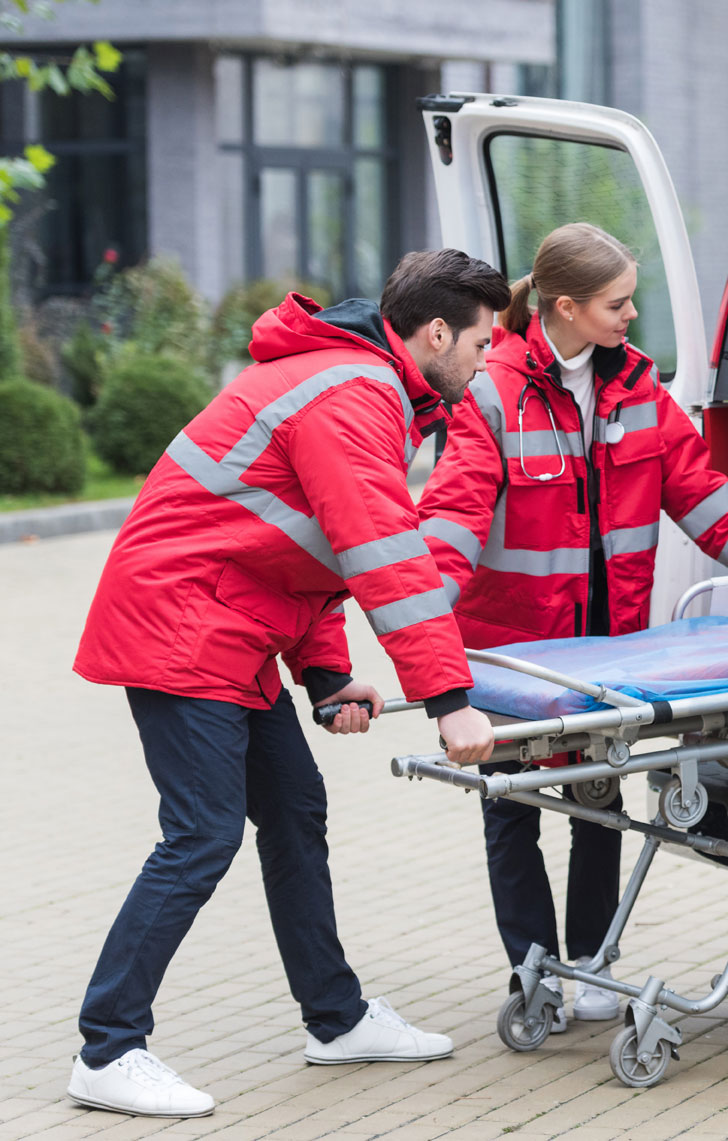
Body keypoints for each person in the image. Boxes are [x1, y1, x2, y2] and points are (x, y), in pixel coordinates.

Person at [67, 249, 508, 1118]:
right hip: (183, 622)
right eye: (483, 342)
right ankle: (108, 1047)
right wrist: (451, 700)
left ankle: (336, 1020)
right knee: (201, 835)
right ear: (436, 331)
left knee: (296, 809)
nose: (487, 360)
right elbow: (382, 551)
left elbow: (309, 548)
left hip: (231, 625)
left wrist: (329, 675)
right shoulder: (354, 393)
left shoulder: (366, 384)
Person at [417, 222, 728, 1026]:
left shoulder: (636, 390)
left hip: (605, 657)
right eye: (618, 302)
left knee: (600, 811)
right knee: (512, 816)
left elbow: (700, 493)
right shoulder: (491, 392)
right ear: (566, 307)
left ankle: (594, 968)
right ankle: (531, 974)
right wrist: (421, 622)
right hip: (519, 663)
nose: (632, 315)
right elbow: (453, 519)